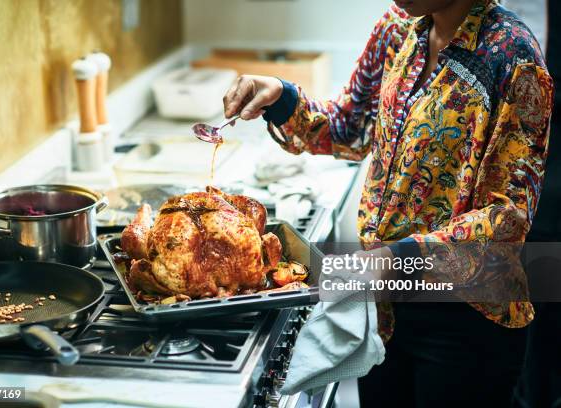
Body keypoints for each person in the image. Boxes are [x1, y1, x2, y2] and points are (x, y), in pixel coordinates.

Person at [222, 0, 553, 407]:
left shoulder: (514, 58)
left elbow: (507, 220)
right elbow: (353, 126)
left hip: (463, 324)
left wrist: (394, 259)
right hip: (383, 311)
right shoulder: (399, 28)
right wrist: (280, 97)